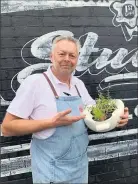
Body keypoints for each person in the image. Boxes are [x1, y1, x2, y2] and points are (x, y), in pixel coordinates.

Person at [1, 35, 129, 183]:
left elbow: (95, 113)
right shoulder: (35, 83)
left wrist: (115, 117)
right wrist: (52, 122)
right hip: (51, 172)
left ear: (77, 59)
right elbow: (7, 127)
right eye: (62, 54)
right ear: (51, 56)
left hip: (79, 170)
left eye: (72, 55)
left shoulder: (78, 84)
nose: (67, 59)